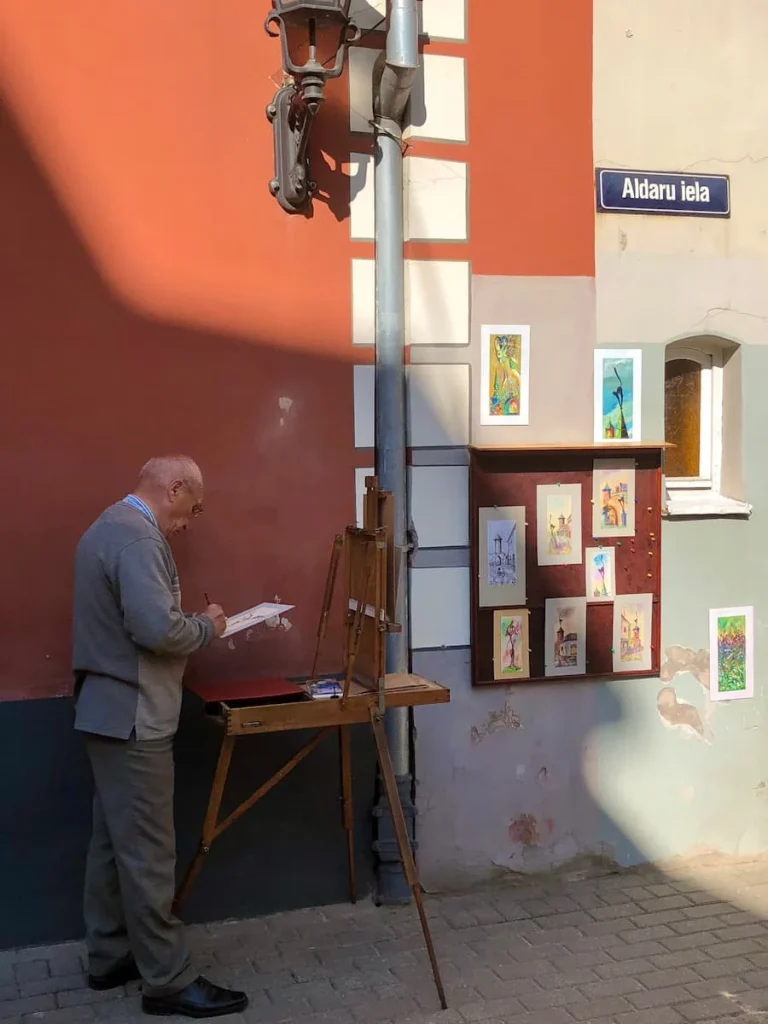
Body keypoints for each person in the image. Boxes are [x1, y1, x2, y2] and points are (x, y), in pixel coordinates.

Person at [72, 455, 248, 1019]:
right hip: (135, 715)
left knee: (112, 844)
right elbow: (155, 630)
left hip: (105, 710)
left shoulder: (106, 527)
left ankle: (109, 954)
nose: (187, 524)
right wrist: (210, 627)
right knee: (148, 851)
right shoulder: (138, 540)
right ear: (173, 489)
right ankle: (168, 980)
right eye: (191, 509)